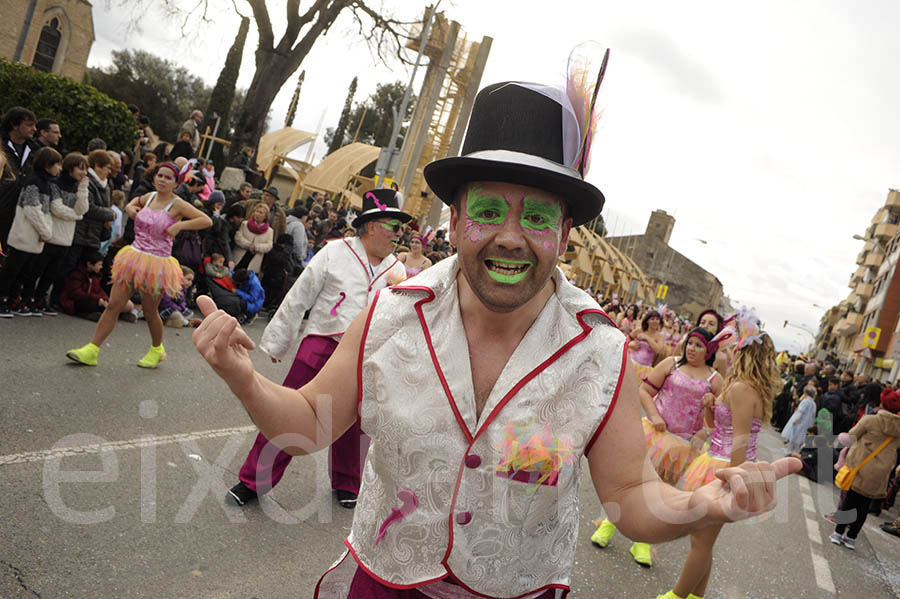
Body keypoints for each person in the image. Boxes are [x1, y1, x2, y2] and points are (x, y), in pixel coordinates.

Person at [194, 70, 799, 598]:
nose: (509, 236)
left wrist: (700, 506)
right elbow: (307, 424)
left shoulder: (602, 352)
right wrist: (244, 378)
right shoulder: (389, 315)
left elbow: (632, 497)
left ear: (564, 239)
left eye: (536, 218)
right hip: (384, 586)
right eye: (488, 210)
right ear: (455, 222)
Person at [224, 187, 409, 509]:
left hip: (369, 352)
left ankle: (347, 481)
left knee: (358, 421)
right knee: (287, 412)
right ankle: (254, 480)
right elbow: (301, 295)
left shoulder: (397, 269)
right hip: (323, 342)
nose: (399, 233)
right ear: (372, 225)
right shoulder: (334, 252)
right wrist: (279, 340)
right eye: (393, 225)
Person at [661, 313, 781, 599]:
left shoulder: (741, 389)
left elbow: (739, 441)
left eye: (735, 348)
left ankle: (676, 596)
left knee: (700, 543)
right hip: (717, 460)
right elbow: (715, 427)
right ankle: (695, 597)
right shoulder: (741, 386)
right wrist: (709, 407)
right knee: (704, 541)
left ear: (745, 353)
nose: (730, 353)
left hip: (725, 466)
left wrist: (730, 484)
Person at [591, 326, 723, 567]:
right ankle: (609, 523)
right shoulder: (671, 364)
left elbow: (720, 418)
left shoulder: (715, 380)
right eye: (690, 343)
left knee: (662, 494)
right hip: (654, 434)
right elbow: (644, 391)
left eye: (699, 345)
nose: (692, 348)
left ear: (709, 351)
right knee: (630, 483)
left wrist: (704, 432)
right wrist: (654, 416)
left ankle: (643, 541)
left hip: (684, 446)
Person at [66, 162, 211, 368]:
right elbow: (133, 202)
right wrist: (129, 207)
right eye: (160, 175)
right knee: (114, 305)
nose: (162, 179)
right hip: (133, 257)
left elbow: (206, 220)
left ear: (176, 183)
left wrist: (180, 225)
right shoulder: (149, 197)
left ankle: (157, 348)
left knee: (151, 312)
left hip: (157, 264)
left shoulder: (177, 204)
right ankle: (92, 349)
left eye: (168, 177)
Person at [829, 391, 900, 549]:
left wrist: (840, 438)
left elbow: (851, 437)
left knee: (849, 501)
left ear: (883, 404)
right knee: (864, 506)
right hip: (881, 472)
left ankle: (838, 532)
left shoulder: (871, 420)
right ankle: (851, 538)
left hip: (861, 466)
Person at [27, 152, 90, 315]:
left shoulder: (79, 187)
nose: (83, 173)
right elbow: (56, 208)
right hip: (51, 234)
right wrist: (77, 216)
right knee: (37, 270)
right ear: (70, 168)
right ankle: (27, 298)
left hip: (67, 238)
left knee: (52, 273)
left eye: (85, 170)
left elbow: (83, 208)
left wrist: (83, 189)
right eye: (80, 169)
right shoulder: (55, 183)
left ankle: (41, 300)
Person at [0, 147, 60, 316]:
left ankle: (14, 301)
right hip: (24, 233)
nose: (59, 169)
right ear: (47, 165)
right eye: (57, 164)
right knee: (12, 270)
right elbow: (32, 209)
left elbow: (46, 211)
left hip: (35, 236)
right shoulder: (34, 182)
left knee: (24, 271)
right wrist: (46, 231)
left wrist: (45, 231)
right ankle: (3, 299)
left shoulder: (47, 183)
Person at [0, 107, 38, 248]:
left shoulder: (35, 151)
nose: (34, 129)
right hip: (4, 210)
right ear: (14, 125)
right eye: (29, 125)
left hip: (23, 214)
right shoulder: (1, 147)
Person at [60, 251, 134, 321]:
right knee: (92, 305)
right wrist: (97, 299)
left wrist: (105, 299)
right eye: (99, 265)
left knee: (109, 305)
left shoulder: (96, 275)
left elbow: (99, 290)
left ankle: (104, 313)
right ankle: (89, 313)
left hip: (90, 298)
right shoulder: (77, 274)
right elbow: (76, 294)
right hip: (75, 301)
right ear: (89, 264)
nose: (101, 267)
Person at [232, 203, 274, 274]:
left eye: (261, 213)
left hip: (253, 262)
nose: (257, 214)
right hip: (239, 257)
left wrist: (256, 247)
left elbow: (269, 246)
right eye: (256, 211)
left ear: (265, 216)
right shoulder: (244, 224)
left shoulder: (269, 231)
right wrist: (249, 245)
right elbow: (237, 237)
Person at [629, 310, 666, 382]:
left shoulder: (660, 336)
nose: (655, 321)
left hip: (646, 368)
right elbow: (626, 340)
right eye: (652, 319)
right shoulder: (639, 330)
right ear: (647, 321)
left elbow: (658, 350)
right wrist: (630, 345)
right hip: (632, 362)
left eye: (657, 319)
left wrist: (647, 338)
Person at [782, 384, 818, 455]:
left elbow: (801, 411)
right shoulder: (813, 403)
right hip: (807, 423)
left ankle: (789, 453)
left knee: (794, 438)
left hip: (800, 422)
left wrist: (796, 419)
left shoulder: (806, 401)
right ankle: (795, 452)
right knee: (800, 440)